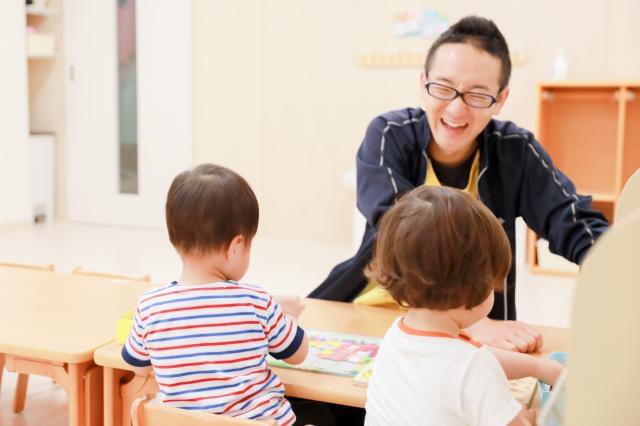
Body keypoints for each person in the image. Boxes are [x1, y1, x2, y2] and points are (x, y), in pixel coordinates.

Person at [310, 15, 608, 352]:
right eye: (443, 87)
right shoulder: (389, 134)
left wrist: (614, 262)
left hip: (472, 335)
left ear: (501, 99)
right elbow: (402, 233)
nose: (455, 108)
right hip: (376, 315)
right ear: (423, 83)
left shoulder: (516, 150)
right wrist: (473, 322)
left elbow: (573, 221)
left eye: (478, 95)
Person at [122, 164, 308, 425]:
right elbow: (298, 354)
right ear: (235, 247)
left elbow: (137, 365)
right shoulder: (256, 301)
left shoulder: (150, 306)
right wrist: (291, 317)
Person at [364, 186, 562, 426]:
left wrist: (538, 367)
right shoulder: (475, 369)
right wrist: (530, 417)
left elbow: (475, 358)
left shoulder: (396, 336)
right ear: (472, 288)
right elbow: (475, 366)